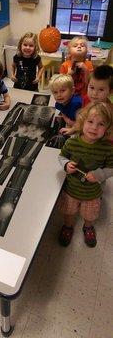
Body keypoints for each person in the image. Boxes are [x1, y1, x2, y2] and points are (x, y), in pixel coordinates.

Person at [57, 102, 113, 248]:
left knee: (90, 214)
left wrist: (99, 174)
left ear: (107, 128)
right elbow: (62, 157)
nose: (94, 127)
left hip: (93, 192)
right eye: (90, 122)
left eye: (101, 124)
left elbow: (111, 168)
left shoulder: (107, 148)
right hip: (71, 190)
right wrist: (66, 165)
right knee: (68, 211)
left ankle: (88, 227)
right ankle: (68, 227)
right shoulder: (72, 142)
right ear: (82, 122)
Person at [62, 65, 113, 136]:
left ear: (110, 92)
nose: (94, 93)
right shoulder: (86, 99)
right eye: (92, 88)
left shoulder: (109, 110)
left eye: (101, 89)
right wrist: (73, 129)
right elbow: (83, 119)